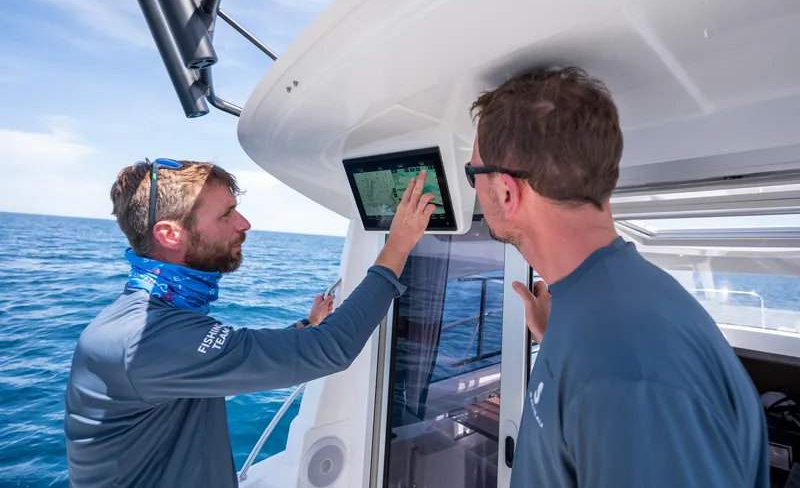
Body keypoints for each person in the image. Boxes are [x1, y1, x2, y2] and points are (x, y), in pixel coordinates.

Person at [467, 66, 769, 487]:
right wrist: (556, 340)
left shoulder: (628, 371)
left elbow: (619, 377)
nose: (473, 189)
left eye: (472, 175)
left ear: (505, 192)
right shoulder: (599, 311)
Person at [63, 158, 437, 488]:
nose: (245, 223)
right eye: (226, 214)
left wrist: (307, 325)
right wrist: (397, 246)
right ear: (170, 234)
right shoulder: (144, 340)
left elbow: (232, 356)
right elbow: (331, 350)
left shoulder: (150, 320)